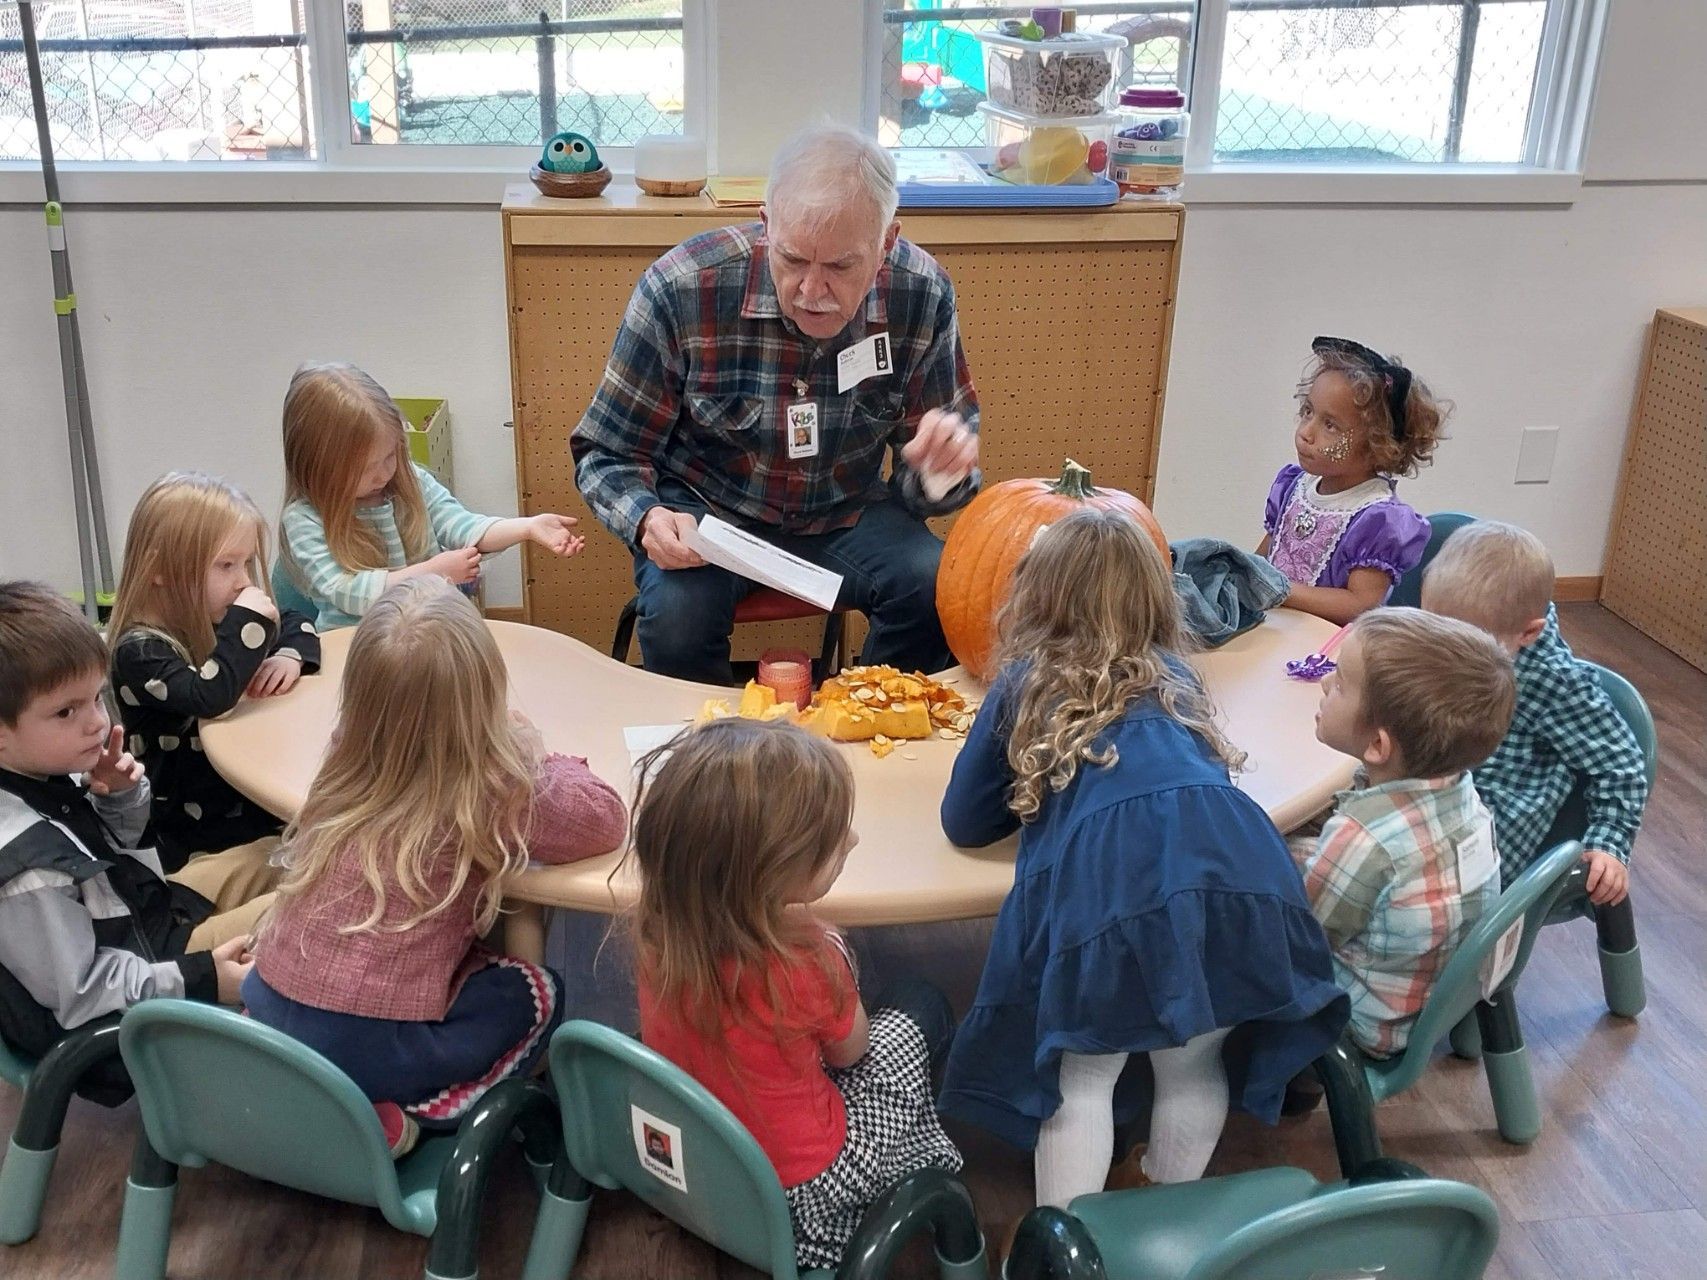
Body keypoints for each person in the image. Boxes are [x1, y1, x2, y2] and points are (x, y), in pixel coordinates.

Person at [937, 510, 1347, 1208]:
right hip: (1238, 868)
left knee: (1082, 1077)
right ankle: (1160, 1201)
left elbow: (965, 822)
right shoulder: (1176, 673)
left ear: (1036, 595)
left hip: (1117, 883)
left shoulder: (1027, 680)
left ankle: (1062, 1242)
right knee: (1193, 1061)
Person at [573, 124, 982, 683]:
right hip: (709, 513)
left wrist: (938, 476)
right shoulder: (682, 286)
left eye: (840, 267)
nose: (812, 291)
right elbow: (605, 451)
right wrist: (645, 517)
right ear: (767, 227)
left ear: (887, 243)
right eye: (792, 260)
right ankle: (712, 760)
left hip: (846, 512)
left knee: (933, 585)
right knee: (677, 617)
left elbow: (931, 479)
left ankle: (872, 730)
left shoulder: (922, 293)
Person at [244, 578, 627, 1153]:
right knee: (537, 991)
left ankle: (341, 1099)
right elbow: (604, 818)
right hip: (374, 1048)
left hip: (269, 1007)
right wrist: (530, 751)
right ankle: (418, 1111)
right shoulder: (491, 785)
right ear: (486, 693)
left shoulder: (345, 753)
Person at [630, 718, 960, 1269]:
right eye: (831, 843)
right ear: (771, 873)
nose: (851, 840)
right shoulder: (805, 961)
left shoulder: (656, 931)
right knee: (920, 1003)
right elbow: (852, 1052)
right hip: (804, 1191)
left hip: (700, 1165)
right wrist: (834, 959)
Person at [0, 582, 270, 1097]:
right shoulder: (29, 871)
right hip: (147, 990)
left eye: (96, 699)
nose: (98, 724)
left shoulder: (42, 767)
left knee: (274, 854)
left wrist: (118, 798)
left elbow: (114, 863)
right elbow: (82, 997)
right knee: (308, 907)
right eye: (66, 712)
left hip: (145, 922)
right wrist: (202, 978)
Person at [1297, 607, 1514, 1058]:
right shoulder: (1460, 787)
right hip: (1434, 997)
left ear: (1377, 745)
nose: (1323, 683)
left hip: (1364, 1024)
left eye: (1339, 684)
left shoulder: (1363, 837)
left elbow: (1303, 941)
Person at [1421, 521, 1648, 905]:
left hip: (1479, 854)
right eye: (1434, 628)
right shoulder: (1469, 637)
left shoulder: (1553, 682)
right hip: (1432, 804)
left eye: (1466, 642)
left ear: (1528, 633)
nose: (1445, 651)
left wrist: (1609, 843)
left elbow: (1621, 765)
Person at [107, 471, 321, 871]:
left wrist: (288, 656)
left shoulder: (218, 615)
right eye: (226, 565)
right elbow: (210, 696)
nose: (243, 582)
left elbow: (294, 621)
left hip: (240, 795)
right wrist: (249, 627)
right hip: (192, 830)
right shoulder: (139, 651)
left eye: (246, 564)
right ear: (162, 571)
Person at [280, 361, 585, 629]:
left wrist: (526, 527)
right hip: (355, 652)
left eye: (390, 456)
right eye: (365, 469)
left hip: (427, 636)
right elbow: (348, 592)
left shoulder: (412, 482)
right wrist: (432, 573)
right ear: (316, 467)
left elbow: (462, 527)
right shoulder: (303, 518)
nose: (385, 474)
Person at [1258, 336, 1445, 624]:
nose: (1306, 432)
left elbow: (1360, 605)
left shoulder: (1377, 519)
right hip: (1274, 630)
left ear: (1376, 444)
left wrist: (1282, 591)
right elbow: (1264, 560)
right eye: (1308, 412)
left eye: (1330, 425)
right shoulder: (1293, 487)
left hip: (1324, 652)